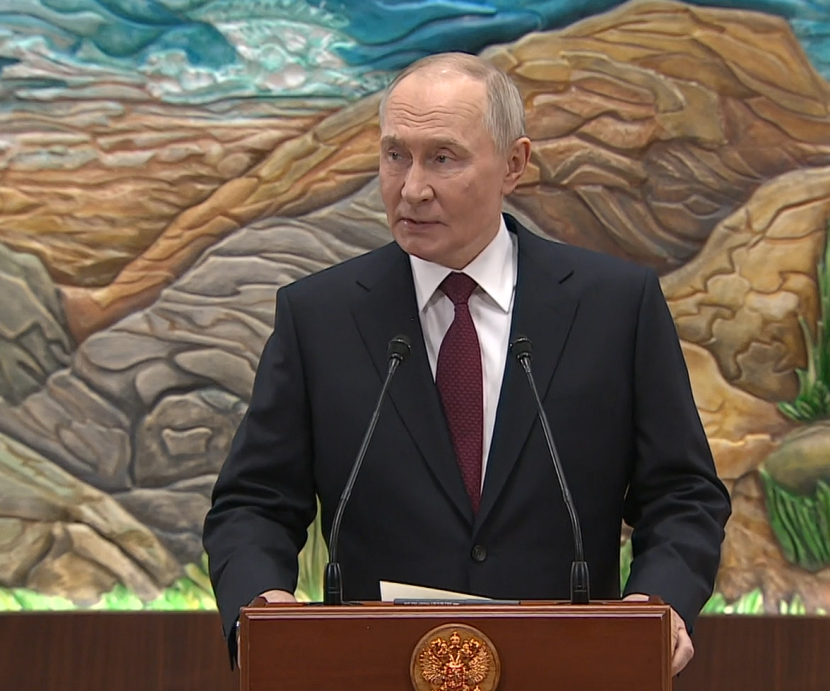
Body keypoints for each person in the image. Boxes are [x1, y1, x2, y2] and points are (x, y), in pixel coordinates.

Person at [203, 51, 731, 676]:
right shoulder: (320, 315)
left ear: (514, 165)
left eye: (443, 158)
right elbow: (254, 502)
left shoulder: (614, 307)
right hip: (374, 672)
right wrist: (263, 604)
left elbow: (682, 493)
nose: (412, 188)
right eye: (395, 155)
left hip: (568, 670)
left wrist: (657, 604)